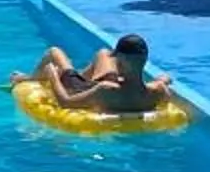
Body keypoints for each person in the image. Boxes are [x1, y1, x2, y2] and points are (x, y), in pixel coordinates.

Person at [14, 32, 177, 116]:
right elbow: (160, 82)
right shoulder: (158, 90)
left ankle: (28, 78)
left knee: (54, 52)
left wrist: (53, 77)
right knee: (103, 53)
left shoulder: (106, 89)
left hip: (80, 90)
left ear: (120, 61)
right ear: (145, 59)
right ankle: (80, 74)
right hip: (122, 86)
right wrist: (163, 80)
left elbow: (66, 103)